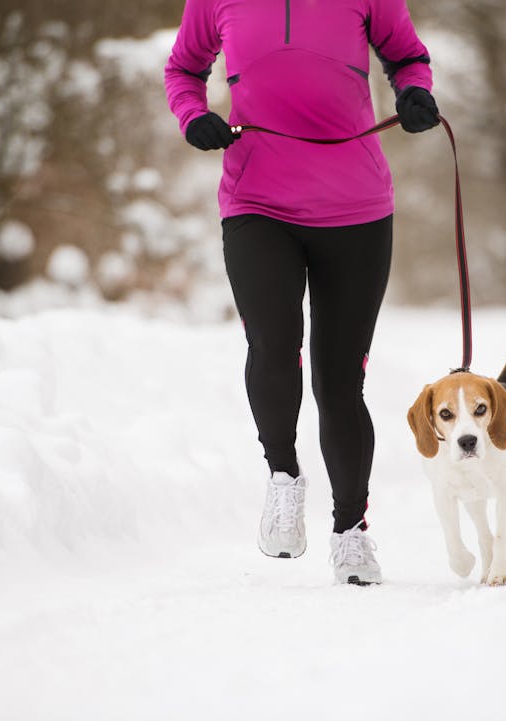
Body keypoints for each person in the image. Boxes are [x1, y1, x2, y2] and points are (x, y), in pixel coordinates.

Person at [165, 0, 439, 585]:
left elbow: (408, 58)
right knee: (272, 342)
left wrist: (416, 96)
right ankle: (283, 478)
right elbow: (183, 70)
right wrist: (193, 116)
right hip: (257, 202)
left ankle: (350, 533)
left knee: (340, 381)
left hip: (357, 209)